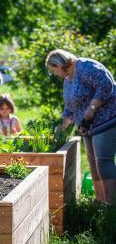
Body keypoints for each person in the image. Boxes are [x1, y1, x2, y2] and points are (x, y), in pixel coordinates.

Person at [46, 49, 116, 203]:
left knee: (103, 160)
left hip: (106, 119)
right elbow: (70, 105)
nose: (55, 74)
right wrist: (62, 124)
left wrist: (92, 108)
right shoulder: (67, 80)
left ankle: (111, 203)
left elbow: (106, 84)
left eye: (53, 70)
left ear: (59, 64)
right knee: (92, 161)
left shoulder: (85, 67)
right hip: (87, 125)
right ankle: (100, 200)